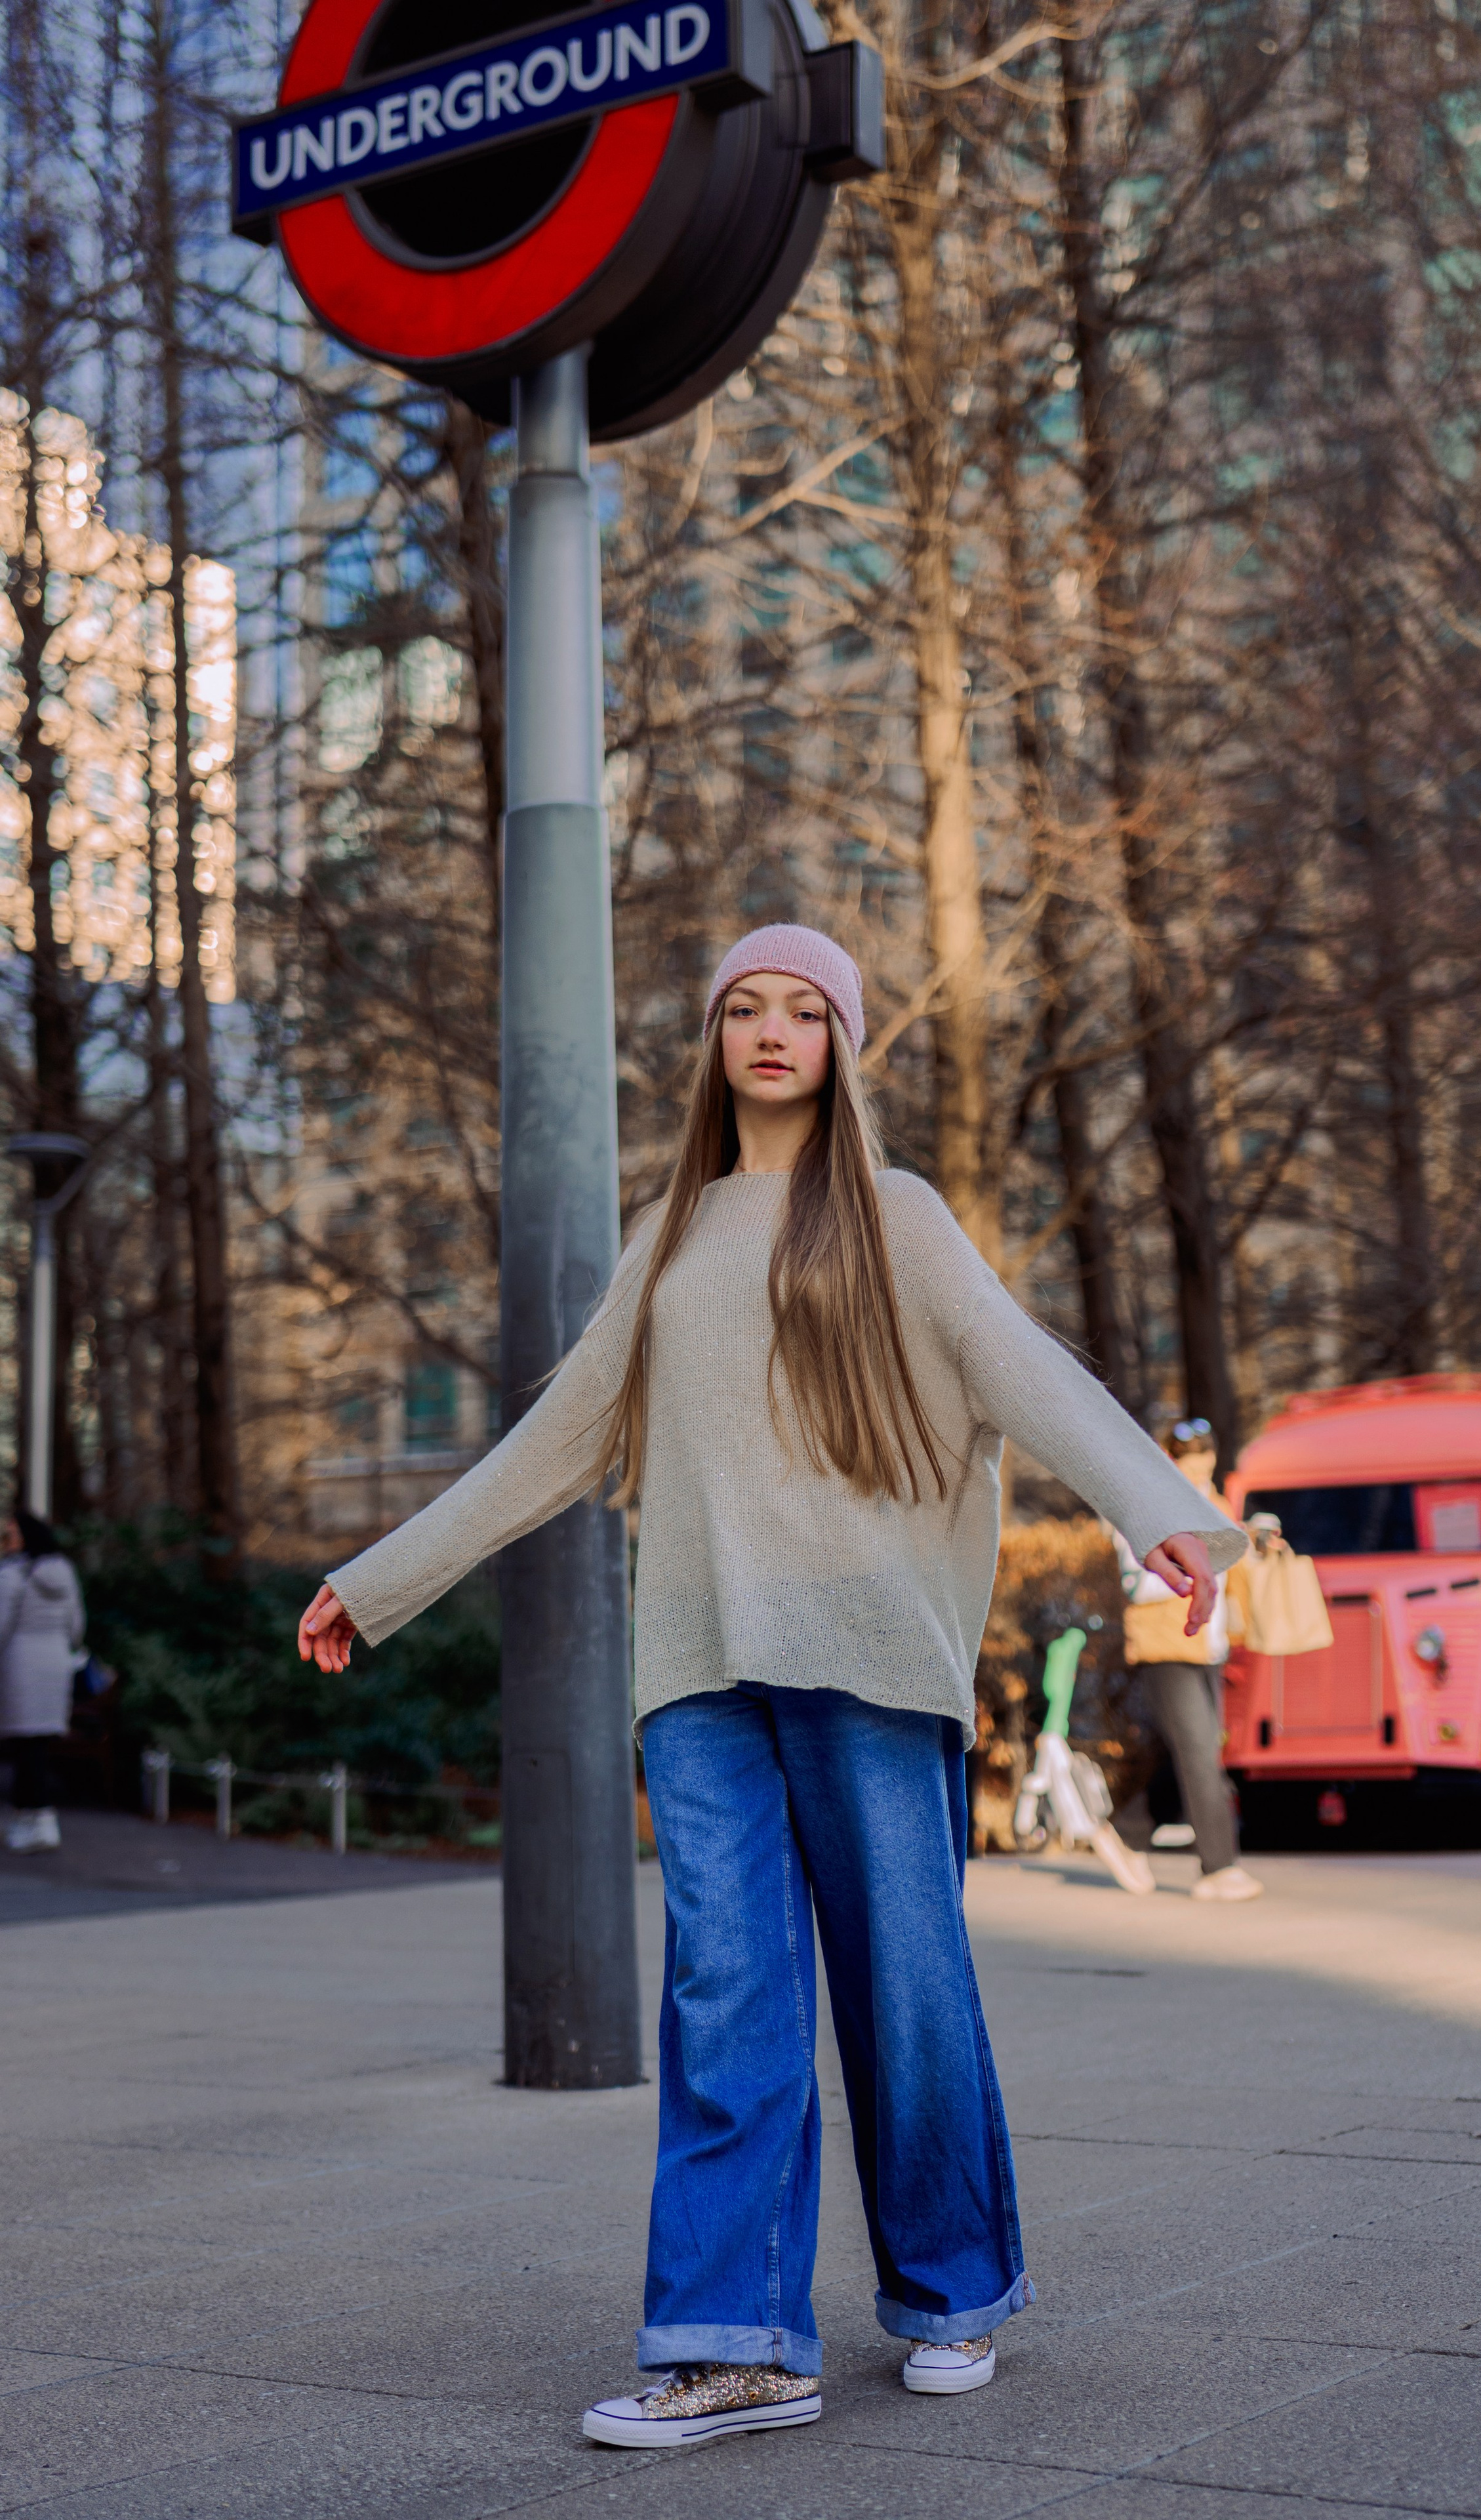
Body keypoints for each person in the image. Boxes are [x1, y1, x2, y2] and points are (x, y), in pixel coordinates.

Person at [297, 924, 1242, 2448]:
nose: (772, 1028)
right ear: (712, 1041)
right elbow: (555, 1440)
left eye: (805, 1009)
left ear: (843, 1044)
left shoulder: (900, 1219)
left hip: (872, 1661)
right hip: (699, 1671)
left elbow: (1025, 1371)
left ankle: (953, 2290)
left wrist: (1159, 1509)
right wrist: (380, 1576)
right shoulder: (667, 1234)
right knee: (722, 1989)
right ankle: (735, 2341)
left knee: (904, 1984)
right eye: (744, 1005)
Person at [1116, 1420, 1264, 1903]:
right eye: (1188, 1456)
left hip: (1207, 1647)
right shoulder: (1146, 1504)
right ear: (1168, 1457)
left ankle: (1126, 1831)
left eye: (1204, 1455)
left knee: (1190, 1752)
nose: (1198, 1465)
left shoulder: (1216, 1503)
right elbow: (1137, 1583)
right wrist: (1196, 1569)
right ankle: (1219, 1868)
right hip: (1166, 1646)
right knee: (1200, 1752)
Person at [0, 1508, 86, 1855]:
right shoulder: (63, 1572)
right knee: (38, 1746)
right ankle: (33, 1819)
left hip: (21, 1665)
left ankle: (37, 1819)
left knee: (25, 1747)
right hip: (55, 1664)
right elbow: (77, 1625)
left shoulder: (13, 1575)